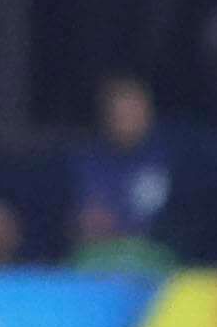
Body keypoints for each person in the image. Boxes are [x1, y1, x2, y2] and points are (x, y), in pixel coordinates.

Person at [68, 73, 177, 268]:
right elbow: (89, 219)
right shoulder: (88, 161)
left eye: (134, 112)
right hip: (97, 257)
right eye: (121, 113)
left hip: (157, 258)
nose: (128, 120)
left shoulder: (170, 159)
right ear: (107, 116)